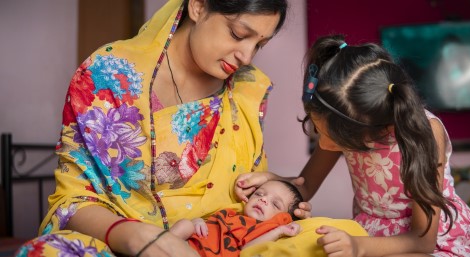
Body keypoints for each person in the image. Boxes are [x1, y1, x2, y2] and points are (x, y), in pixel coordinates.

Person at [14, 1, 318, 257]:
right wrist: (135, 237)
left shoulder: (247, 90)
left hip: (213, 246)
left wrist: (272, 187)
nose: (247, 56)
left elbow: (243, 204)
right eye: (239, 34)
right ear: (198, 6)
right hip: (116, 241)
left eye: (259, 45)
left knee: (330, 237)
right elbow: (72, 202)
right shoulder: (109, 74)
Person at [236, 34, 470, 256]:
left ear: (373, 133)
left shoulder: (426, 134)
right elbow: (306, 185)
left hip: (429, 243)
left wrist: (358, 246)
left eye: (330, 137)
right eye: (317, 130)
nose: (324, 144)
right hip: (367, 235)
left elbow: (423, 240)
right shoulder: (345, 120)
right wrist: (275, 183)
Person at [168, 180, 303, 257]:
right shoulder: (231, 214)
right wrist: (197, 222)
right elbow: (209, 224)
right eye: (259, 194)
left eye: (275, 204)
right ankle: (157, 242)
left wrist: (279, 230)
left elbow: (248, 250)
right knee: (186, 224)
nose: (263, 199)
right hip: (185, 245)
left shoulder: (265, 231)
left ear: (283, 218)